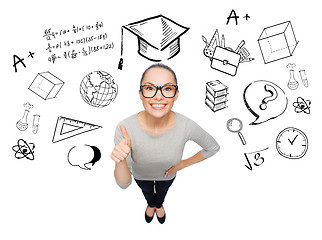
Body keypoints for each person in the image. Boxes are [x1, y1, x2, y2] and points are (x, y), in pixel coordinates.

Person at [110, 63, 220, 224]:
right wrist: (119, 161)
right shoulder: (125, 127)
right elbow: (124, 184)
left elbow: (213, 148)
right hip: (141, 176)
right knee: (148, 193)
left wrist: (181, 165)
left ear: (176, 94)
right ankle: (151, 204)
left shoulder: (186, 125)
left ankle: (159, 205)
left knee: (162, 193)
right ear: (140, 94)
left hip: (168, 176)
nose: (158, 96)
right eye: (149, 88)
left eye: (167, 89)